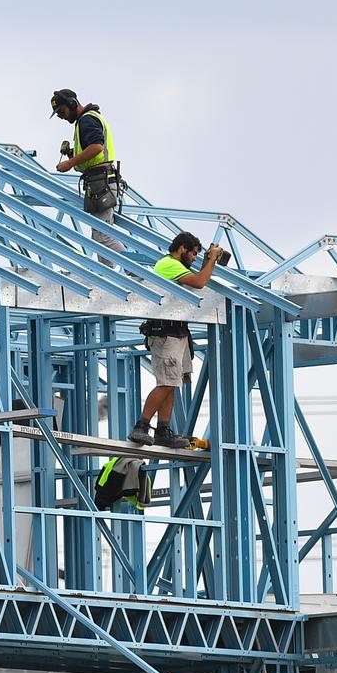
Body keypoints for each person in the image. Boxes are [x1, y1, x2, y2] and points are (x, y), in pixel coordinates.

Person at [128, 232, 222, 448]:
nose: (194, 259)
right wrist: (212, 261)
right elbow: (200, 282)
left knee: (171, 384)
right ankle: (141, 426)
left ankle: (163, 429)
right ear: (182, 249)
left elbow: (198, 278)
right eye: (193, 254)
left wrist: (209, 262)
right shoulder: (168, 264)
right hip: (165, 334)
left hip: (176, 333)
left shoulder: (177, 268)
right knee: (166, 383)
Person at [50, 88, 124, 267]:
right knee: (99, 237)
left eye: (61, 111)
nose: (61, 117)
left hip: (102, 182)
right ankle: (110, 280)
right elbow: (90, 153)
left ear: (72, 104)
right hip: (98, 182)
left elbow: (97, 147)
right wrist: (72, 155)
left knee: (102, 237)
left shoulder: (87, 120)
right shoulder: (86, 120)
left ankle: (138, 273)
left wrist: (69, 163)